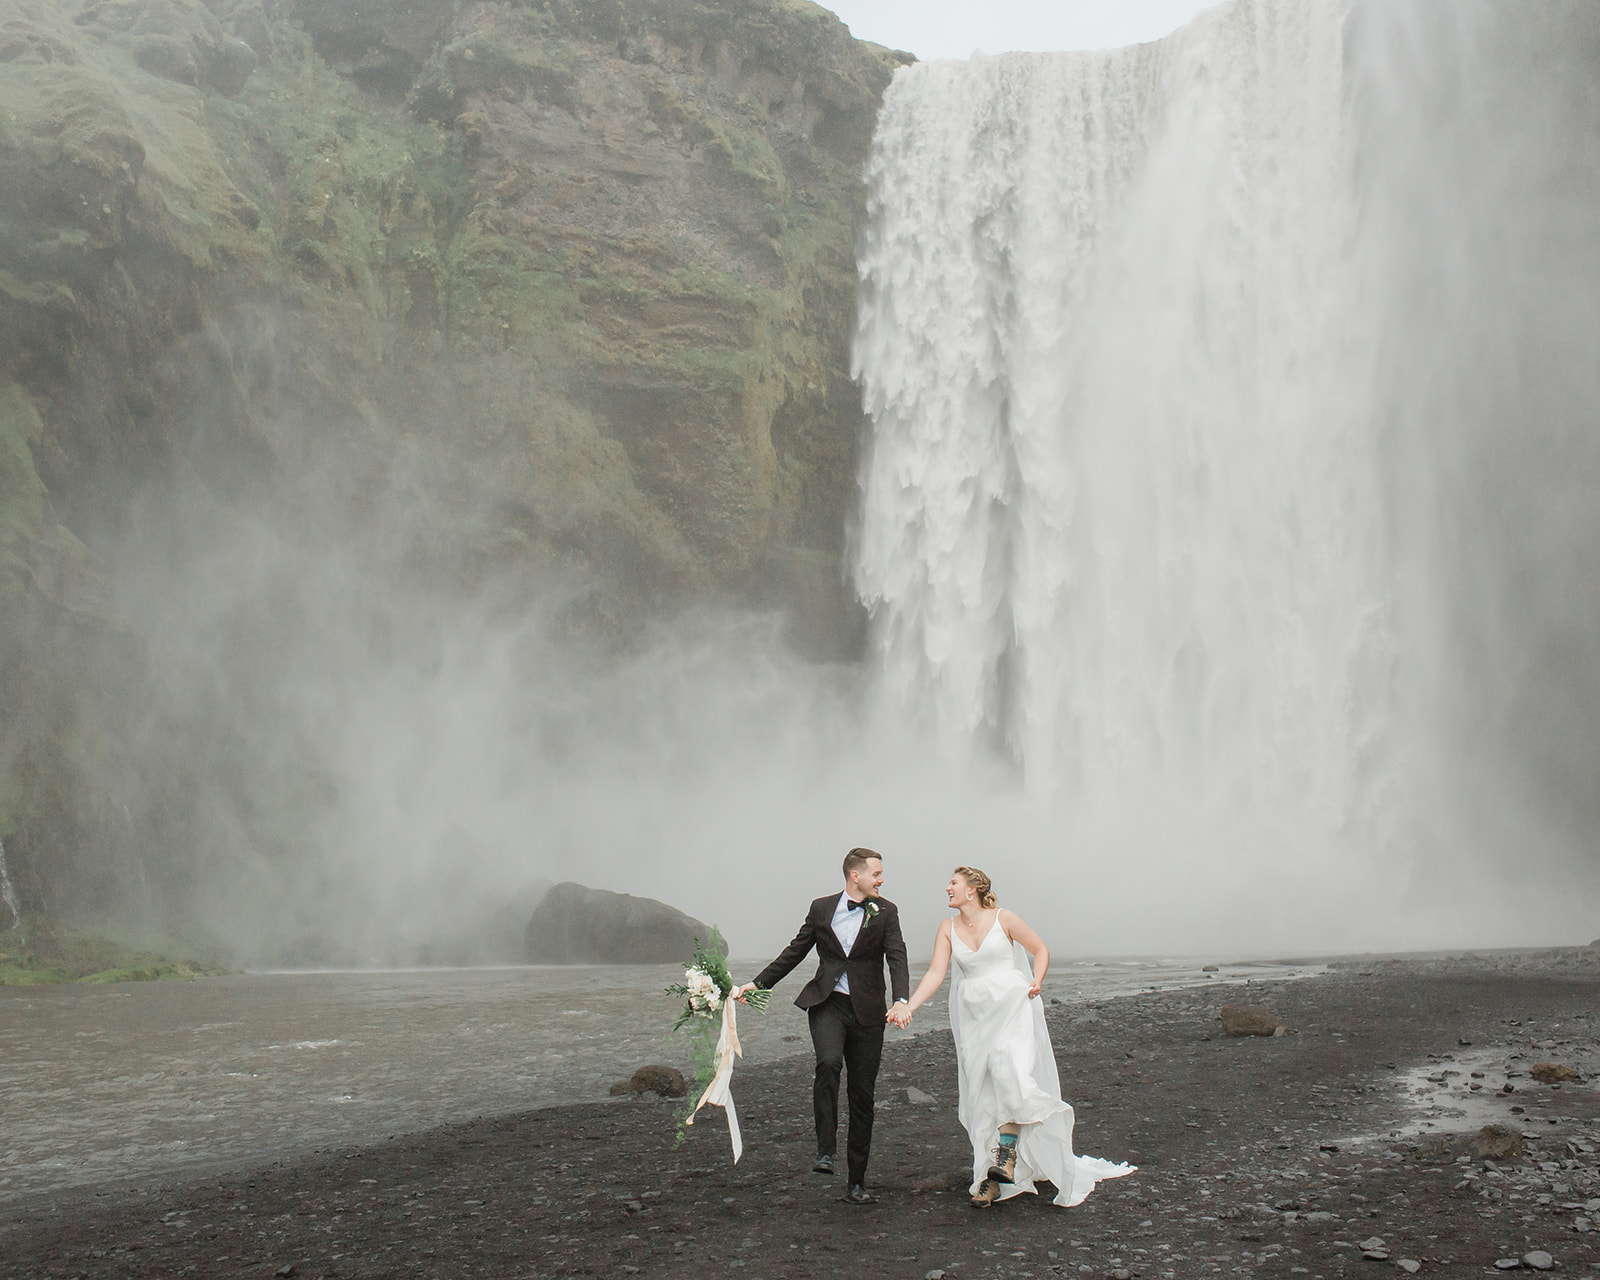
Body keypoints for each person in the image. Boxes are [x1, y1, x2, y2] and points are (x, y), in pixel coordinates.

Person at [895, 866, 1135, 1208]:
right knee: (982, 1095)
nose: (947, 888)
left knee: (1012, 1077)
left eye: (953, 883)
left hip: (1012, 1008)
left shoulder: (1004, 919)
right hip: (975, 1018)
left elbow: (1040, 949)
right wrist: (910, 1006)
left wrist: (1036, 980)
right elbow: (936, 973)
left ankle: (1005, 1156)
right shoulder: (947, 929)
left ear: (972, 889)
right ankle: (989, 1179)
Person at [736, 847, 909, 1205]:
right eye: (876, 873)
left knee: (862, 1096)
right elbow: (795, 950)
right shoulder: (821, 908)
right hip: (827, 1004)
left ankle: (857, 1182)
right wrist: (758, 983)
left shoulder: (887, 911)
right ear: (854, 876)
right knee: (828, 1063)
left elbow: (897, 956)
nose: (882, 879)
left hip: (868, 1011)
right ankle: (825, 1152)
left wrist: (901, 1000)